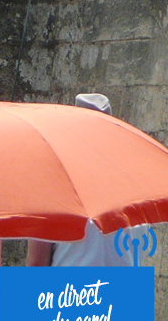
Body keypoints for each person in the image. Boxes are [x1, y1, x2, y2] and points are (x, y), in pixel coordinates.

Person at [26, 93, 134, 267]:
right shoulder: (135, 185)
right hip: (125, 291)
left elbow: (37, 266)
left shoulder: (53, 186)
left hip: (72, 290)